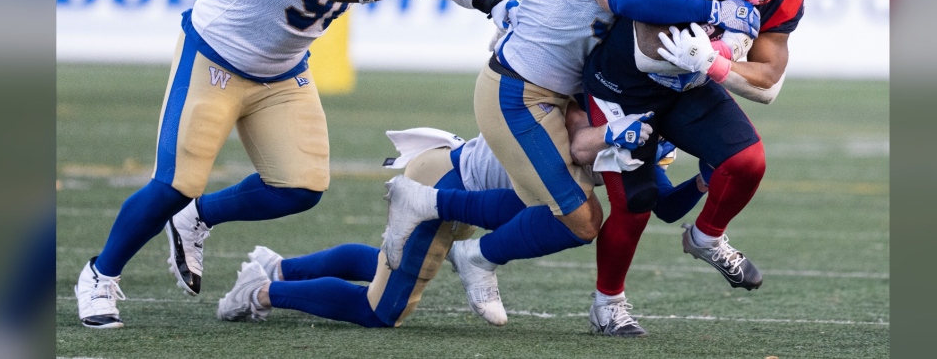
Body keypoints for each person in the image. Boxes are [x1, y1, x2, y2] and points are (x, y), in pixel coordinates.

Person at [74, 0, 514, 329]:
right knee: (176, 183)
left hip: (282, 69)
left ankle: (199, 217)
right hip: (216, 57)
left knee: (300, 185)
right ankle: (99, 275)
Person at [381, 0, 759, 326]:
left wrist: (703, 176)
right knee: (579, 219)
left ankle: (449, 230)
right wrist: (714, 10)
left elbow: (660, 202)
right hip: (519, 89)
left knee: (551, 206)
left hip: (566, 92)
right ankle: (461, 240)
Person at [580, 0, 805, 336]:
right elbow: (646, 49)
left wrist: (715, 62)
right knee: (635, 203)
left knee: (747, 161)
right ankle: (607, 304)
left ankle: (707, 236)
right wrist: (713, 46)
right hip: (623, 86)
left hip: (690, 85)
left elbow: (768, 83)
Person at [214, 102, 659, 327]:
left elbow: (655, 197)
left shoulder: (616, 121)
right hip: (445, 179)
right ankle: (263, 291)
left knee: (386, 264)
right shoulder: (581, 113)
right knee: (382, 310)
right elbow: (580, 148)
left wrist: (709, 179)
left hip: (459, 177)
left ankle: (280, 267)